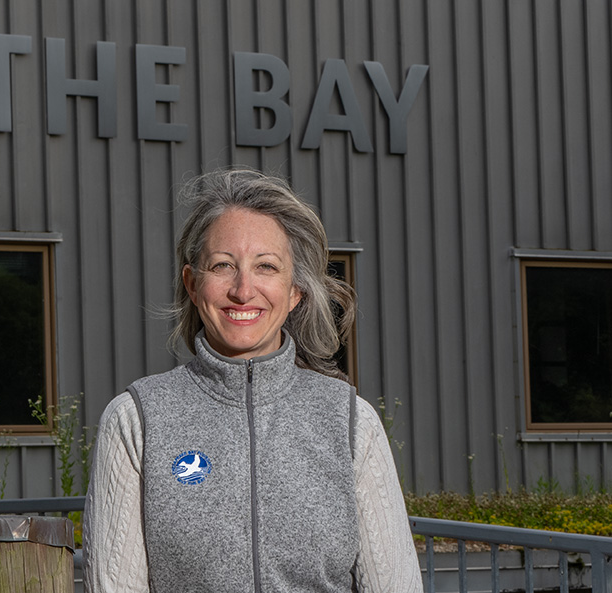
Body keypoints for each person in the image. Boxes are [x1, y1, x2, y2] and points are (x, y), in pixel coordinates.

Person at [83, 168, 421, 592]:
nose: (244, 291)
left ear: (295, 290)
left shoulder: (351, 422)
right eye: (223, 265)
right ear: (192, 283)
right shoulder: (136, 420)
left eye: (266, 266)